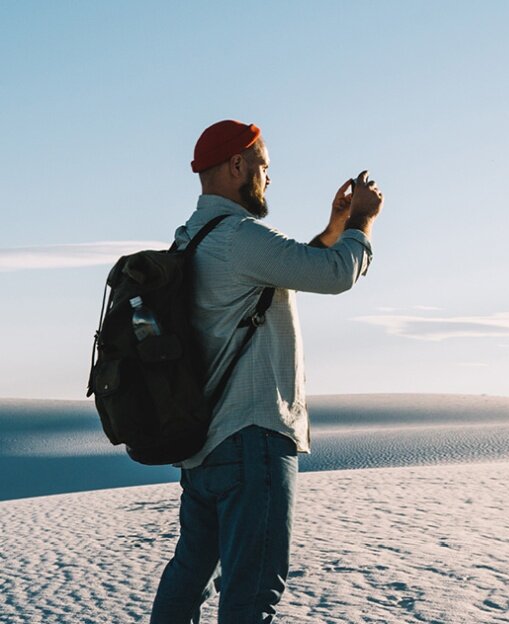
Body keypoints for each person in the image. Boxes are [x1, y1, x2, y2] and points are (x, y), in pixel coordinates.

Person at [149, 119, 382, 623]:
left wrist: (335, 227)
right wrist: (363, 223)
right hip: (252, 440)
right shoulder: (239, 237)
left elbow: (291, 266)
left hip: (205, 450)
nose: (268, 177)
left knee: (189, 576)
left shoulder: (192, 239)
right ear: (238, 165)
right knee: (252, 594)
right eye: (263, 166)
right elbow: (334, 274)